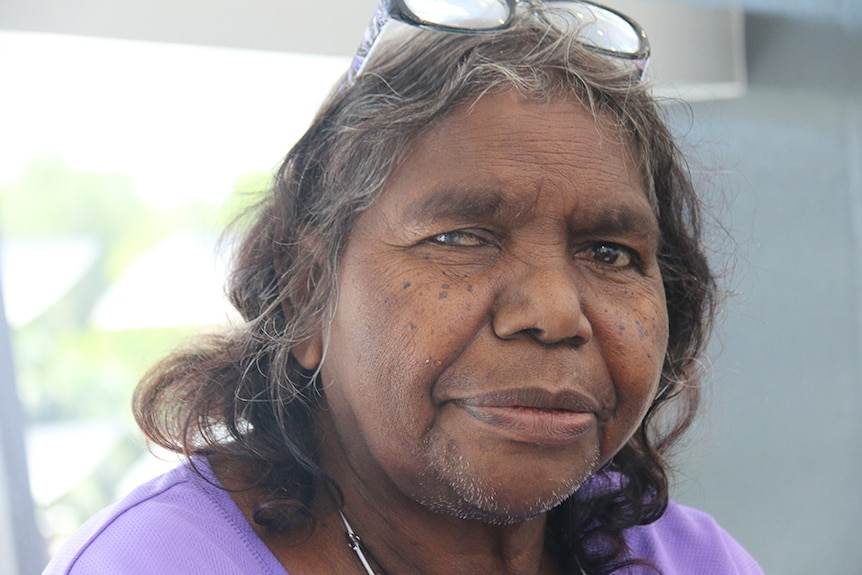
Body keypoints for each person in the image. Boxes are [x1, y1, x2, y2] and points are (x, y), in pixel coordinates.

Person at [44, 1, 764, 574]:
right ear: (305, 295)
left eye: (609, 252)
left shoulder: (686, 557)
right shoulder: (156, 563)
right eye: (461, 238)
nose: (552, 311)